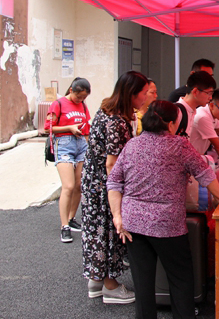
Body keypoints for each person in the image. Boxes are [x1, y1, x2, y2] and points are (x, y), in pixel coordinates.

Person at [107, 100, 219, 319]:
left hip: (133, 223)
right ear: (171, 124)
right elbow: (205, 174)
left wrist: (117, 216)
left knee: (142, 283)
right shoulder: (179, 145)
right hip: (167, 224)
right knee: (180, 278)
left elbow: (114, 182)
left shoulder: (132, 145)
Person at [81, 70, 149, 304]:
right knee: (110, 231)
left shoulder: (105, 109)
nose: (145, 98)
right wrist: (118, 193)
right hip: (104, 185)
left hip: (92, 181)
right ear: (131, 94)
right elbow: (112, 163)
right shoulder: (117, 122)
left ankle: (96, 280)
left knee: (95, 231)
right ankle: (110, 285)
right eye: (143, 93)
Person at [44, 77, 92, 243]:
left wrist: (88, 144)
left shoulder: (83, 106)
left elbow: (87, 127)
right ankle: (64, 226)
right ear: (71, 90)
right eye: (78, 97)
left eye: (84, 98)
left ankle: (71, 218)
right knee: (68, 186)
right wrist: (69, 128)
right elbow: (48, 128)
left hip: (81, 144)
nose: (80, 100)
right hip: (64, 144)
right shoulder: (58, 104)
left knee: (79, 185)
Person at [175, 71, 216, 137]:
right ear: (195, 91)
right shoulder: (177, 112)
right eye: (208, 93)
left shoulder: (192, 111)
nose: (210, 98)